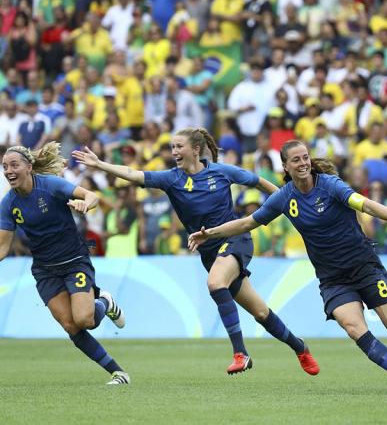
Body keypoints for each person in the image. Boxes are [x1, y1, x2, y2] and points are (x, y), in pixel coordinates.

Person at [187, 140, 387, 396]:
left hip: (363, 266)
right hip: (332, 279)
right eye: (296, 160)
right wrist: (210, 234)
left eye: (305, 157)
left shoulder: (331, 185)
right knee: (354, 328)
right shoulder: (283, 197)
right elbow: (247, 223)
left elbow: (367, 204)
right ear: (285, 166)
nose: (303, 163)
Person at [72, 128, 318, 376]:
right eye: (172, 147)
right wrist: (100, 164)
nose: (174, 152)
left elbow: (258, 182)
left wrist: (290, 202)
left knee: (215, 283)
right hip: (210, 253)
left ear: (196, 150)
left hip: (234, 239)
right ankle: (300, 347)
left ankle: (241, 354)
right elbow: (133, 175)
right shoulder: (172, 179)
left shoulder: (221, 172)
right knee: (261, 312)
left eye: (179, 146)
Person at [0, 143, 128, 384]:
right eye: (5, 166)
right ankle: (118, 372)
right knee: (71, 326)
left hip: (74, 261)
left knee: (84, 320)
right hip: (44, 270)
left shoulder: (50, 185)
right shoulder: (8, 204)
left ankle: (104, 302)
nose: (8, 171)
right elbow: (3, 248)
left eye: (14, 165)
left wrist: (84, 204)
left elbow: (92, 196)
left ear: (29, 168)